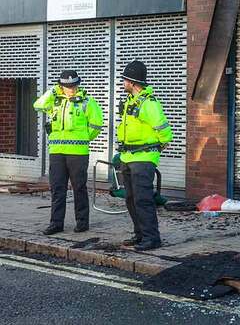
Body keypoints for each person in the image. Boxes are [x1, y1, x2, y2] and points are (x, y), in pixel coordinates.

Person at [34, 70, 103, 235]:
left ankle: (82, 222)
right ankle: (56, 224)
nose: (71, 89)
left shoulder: (87, 101)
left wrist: (84, 138)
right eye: (67, 86)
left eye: (73, 85)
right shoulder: (54, 100)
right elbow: (38, 105)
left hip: (78, 152)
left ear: (78, 84)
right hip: (57, 151)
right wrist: (51, 91)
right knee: (57, 188)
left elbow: (96, 124)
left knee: (79, 187)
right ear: (61, 86)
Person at [117, 60, 172, 251]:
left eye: (125, 80)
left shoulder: (149, 103)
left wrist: (158, 148)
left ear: (132, 82)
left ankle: (152, 238)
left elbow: (164, 131)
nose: (123, 83)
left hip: (143, 158)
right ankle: (140, 234)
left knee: (143, 200)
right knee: (131, 199)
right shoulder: (131, 102)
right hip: (128, 157)